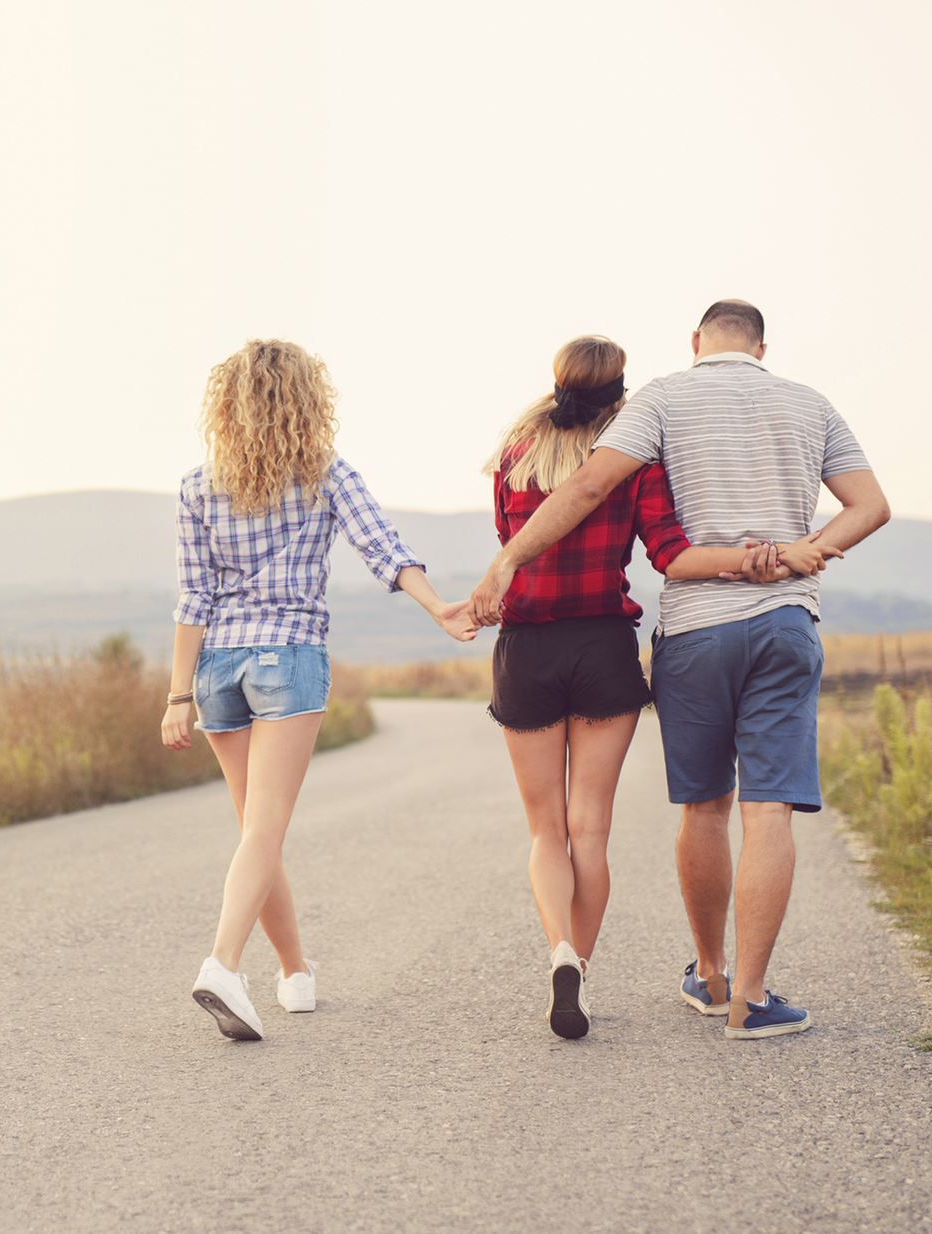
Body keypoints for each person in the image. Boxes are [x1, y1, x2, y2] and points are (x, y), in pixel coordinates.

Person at [471, 300, 890, 1040]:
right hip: (747, 625)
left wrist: (505, 562)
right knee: (748, 812)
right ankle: (748, 1000)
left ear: (695, 342)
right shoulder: (803, 404)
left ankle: (671, 968)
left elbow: (581, 492)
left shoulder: (641, 407)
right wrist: (797, 552)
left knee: (685, 810)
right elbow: (867, 507)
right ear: (762, 346)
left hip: (663, 631)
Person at [162, 339, 476, 1042]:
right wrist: (437, 607)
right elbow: (383, 550)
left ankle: (295, 972)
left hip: (217, 669)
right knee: (265, 828)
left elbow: (193, 599)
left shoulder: (195, 485)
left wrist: (177, 694)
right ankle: (222, 963)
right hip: (287, 658)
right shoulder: (325, 475)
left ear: (227, 405)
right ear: (308, 403)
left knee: (255, 832)